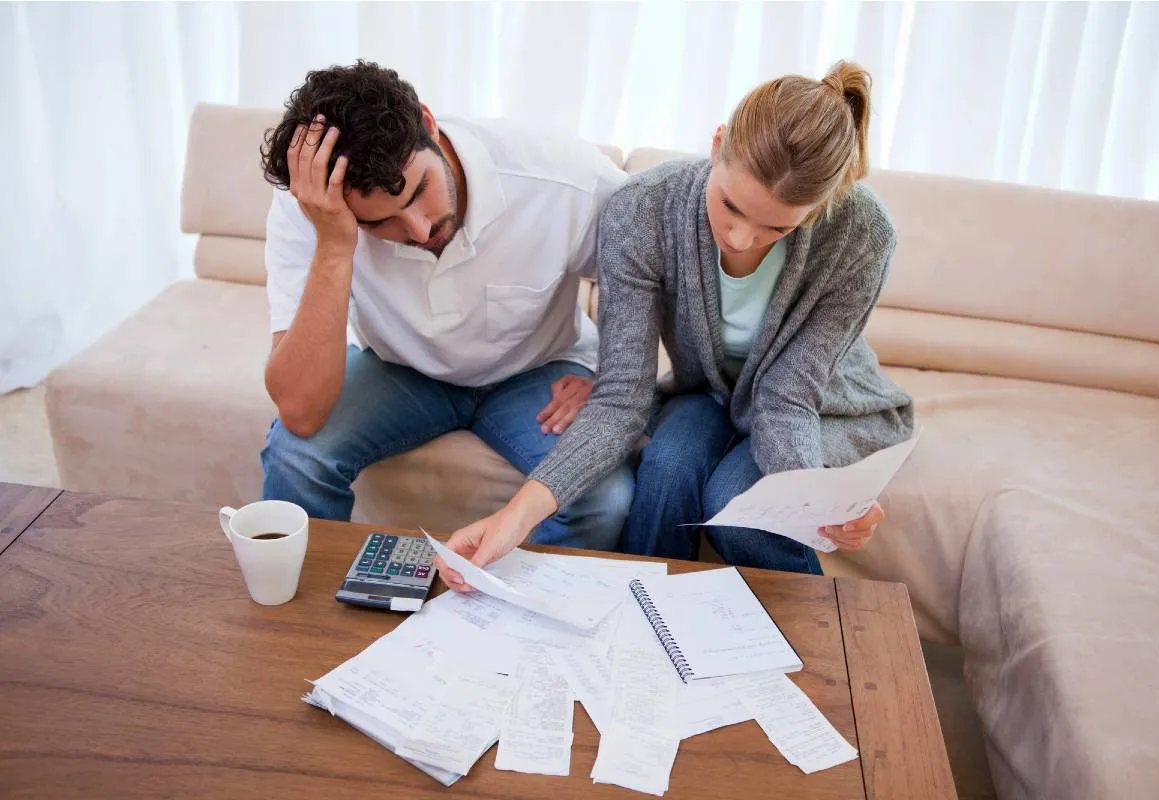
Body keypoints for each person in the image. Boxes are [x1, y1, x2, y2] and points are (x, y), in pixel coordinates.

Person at [437, 61, 914, 587]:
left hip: (820, 407)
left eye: (775, 228)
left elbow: (787, 396)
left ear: (820, 204)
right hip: (707, 393)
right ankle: (645, 618)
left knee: (736, 505)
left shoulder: (862, 233)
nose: (740, 238)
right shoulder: (642, 210)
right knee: (665, 469)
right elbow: (621, 399)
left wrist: (815, 502)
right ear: (717, 144)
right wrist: (513, 519)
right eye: (730, 205)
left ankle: (819, 633)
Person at [257, 60, 633, 551]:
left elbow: (662, 277)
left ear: (429, 124)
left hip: (538, 370)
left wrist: (613, 378)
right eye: (379, 223)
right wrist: (333, 245)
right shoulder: (310, 207)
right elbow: (301, 413)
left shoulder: (565, 179)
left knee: (603, 497)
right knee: (296, 456)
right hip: (401, 371)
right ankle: (315, 603)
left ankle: (524, 603)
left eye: (419, 191)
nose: (419, 229)